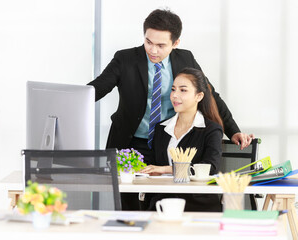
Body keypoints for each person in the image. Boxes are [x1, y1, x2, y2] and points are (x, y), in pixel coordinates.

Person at [88, 9, 253, 210]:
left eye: (160, 45)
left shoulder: (185, 59)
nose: (153, 50)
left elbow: (209, 94)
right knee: (127, 203)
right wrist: (69, 101)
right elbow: (98, 88)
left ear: (175, 43)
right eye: (148, 42)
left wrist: (233, 130)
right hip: (130, 143)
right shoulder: (125, 59)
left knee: (161, 198)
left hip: (165, 144)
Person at [140, 67, 223, 212]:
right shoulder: (161, 128)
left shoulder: (211, 130)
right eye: (173, 89)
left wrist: (164, 169)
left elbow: (209, 168)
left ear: (199, 96)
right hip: (163, 202)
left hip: (198, 204)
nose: (174, 95)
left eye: (183, 90)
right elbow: (153, 166)